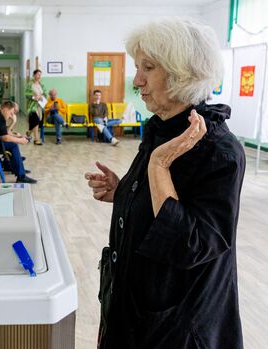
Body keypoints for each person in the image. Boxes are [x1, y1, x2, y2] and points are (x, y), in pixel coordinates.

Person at [86, 18, 245, 349]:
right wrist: (126, 192)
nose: (136, 81)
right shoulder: (161, 126)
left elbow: (191, 245)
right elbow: (158, 205)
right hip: (134, 312)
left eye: (148, 68)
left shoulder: (220, 151)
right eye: (137, 68)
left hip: (177, 331)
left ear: (181, 72)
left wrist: (158, 166)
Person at [25, 69, 46, 145]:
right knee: (36, 121)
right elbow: (26, 94)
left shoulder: (41, 84)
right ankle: (36, 139)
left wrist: (42, 96)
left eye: (40, 74)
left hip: (40, 106)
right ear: (34, 75)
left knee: (37, 122)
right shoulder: (30, 84)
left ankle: (29, 132)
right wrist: (34, 97)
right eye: (37, 74)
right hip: (32, 106)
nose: (39, 76)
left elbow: (45, 94)